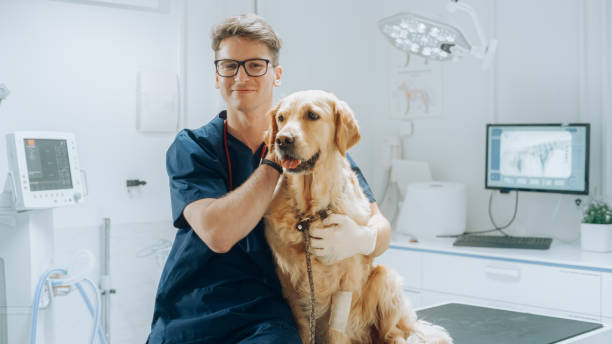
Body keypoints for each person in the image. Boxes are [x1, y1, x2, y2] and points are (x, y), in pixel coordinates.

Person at [147, 13, 391, 344]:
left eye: (255, 65)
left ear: (276, 75)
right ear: (216, 76)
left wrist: (361, 238)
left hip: (266, 312)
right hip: (194, 305)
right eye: (229, 65)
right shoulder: (193, 147)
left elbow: (381, 226)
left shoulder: (317, 146)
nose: (240, 76)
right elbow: (218, 234)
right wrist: (278, 157)